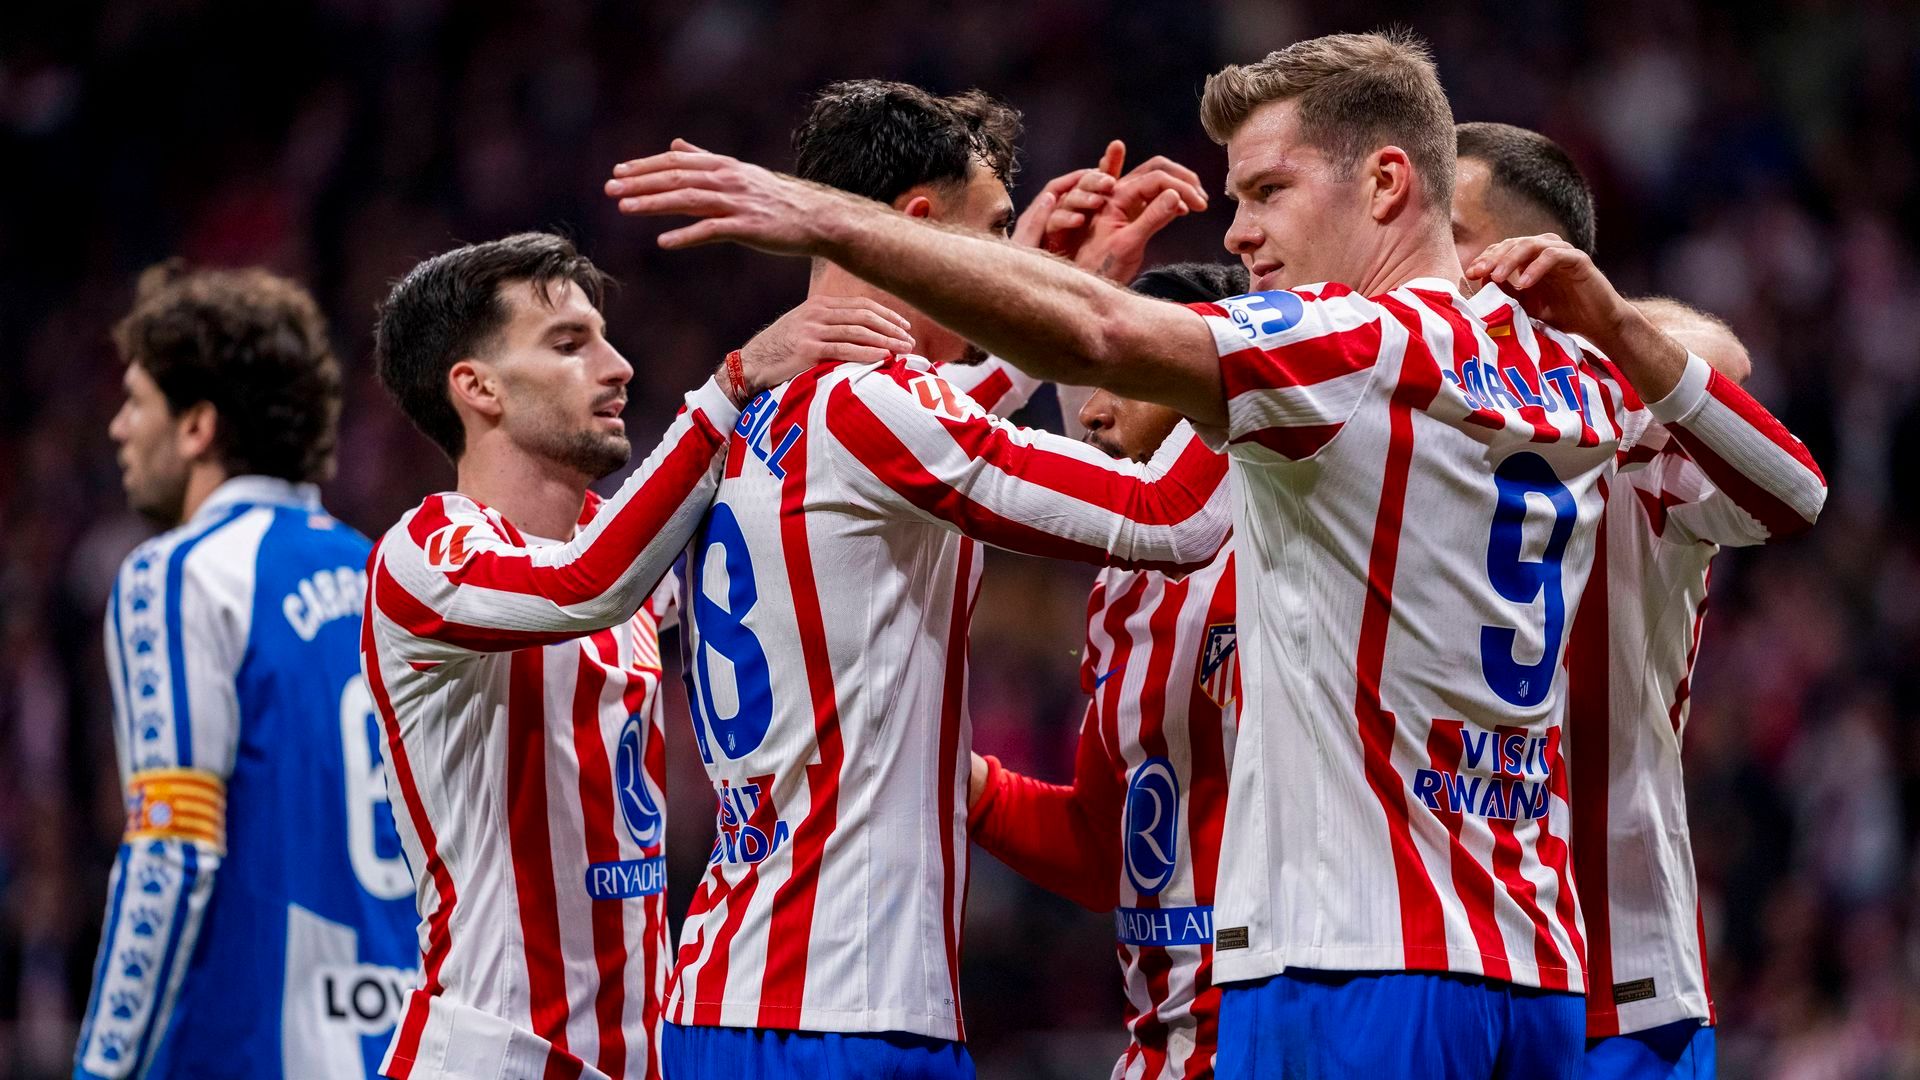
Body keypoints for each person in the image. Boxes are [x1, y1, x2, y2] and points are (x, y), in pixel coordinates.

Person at [603, 29, 1827, 1078]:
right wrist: (1614, 323)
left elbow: (1113, 369)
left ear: (1389, 185)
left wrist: (827, 223)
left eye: (1268, 193)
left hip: (1351, 963)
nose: (1240, 236)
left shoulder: (1351, 352)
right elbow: (1792, 488)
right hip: (1538, 960)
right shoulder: (1570, 374)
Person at [655, 80, 1227, 1080]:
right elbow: (1164, 514)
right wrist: (1263, 357)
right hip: (841, 1010)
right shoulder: (878, 407)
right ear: (918, 228)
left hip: (730, 981)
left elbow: (953, 414)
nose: (1008, 262)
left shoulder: (757, 409)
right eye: (997, 234)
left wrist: (1053, 290)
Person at [360, 232, 831, 1080]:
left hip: (636, 1056)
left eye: (605, 339)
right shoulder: (425, 556)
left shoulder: (626, 555)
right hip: (495, 1059)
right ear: (477, 387)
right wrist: (731, 384)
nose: (619, 367)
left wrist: (1019, 334)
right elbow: (587, 586)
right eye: (570, 344)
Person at [1453, 120, 1754, 1080]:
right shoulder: (1398, 425)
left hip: (1622, 982)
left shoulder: (1636, 440)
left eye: (1450, 235)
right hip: (1445, 959)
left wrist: (1607, 323)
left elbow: (1724, 359)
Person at [77, 263, 419, 1079]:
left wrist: (101, 1068)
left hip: (251, 1052)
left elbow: (172, 851)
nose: (119, 429)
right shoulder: (396, 578)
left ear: (197, 426)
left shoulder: (177, 574)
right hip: (406, 1047)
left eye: (136, 401)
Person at [967, 260, 1247, 1080]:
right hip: (1163, 1040)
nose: (1090, 411)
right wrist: (962, 782)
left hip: (1284, 1028)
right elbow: (1103, 850)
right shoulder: (1119, 589)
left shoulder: (1295, 539)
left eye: (1128, 379)